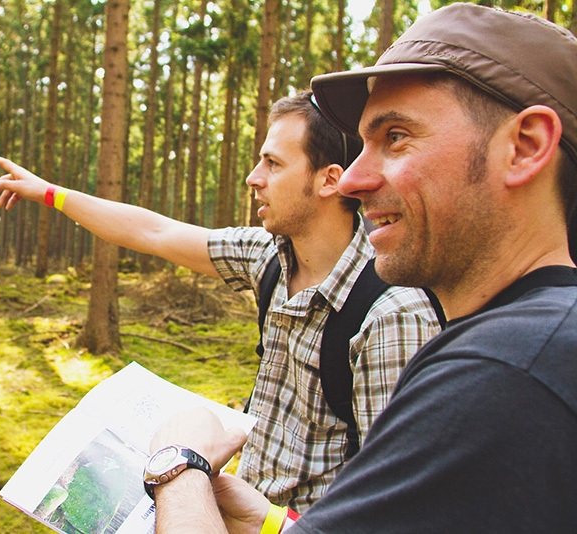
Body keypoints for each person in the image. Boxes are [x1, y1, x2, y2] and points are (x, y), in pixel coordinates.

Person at [145, 3, 577, 532]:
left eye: (396, 136)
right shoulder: (534, 347)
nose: (351, 180)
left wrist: (179, 463)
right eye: (364, 143)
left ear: (524, 146)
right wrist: (273, 522)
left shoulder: (501, 375)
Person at [0, 91, 442, 511]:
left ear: (329, 181)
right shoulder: (270, 257)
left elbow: (398, 499)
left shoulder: (392, 315)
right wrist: (51, 193)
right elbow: (155, 232)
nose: (253, 177)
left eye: (273, 164)